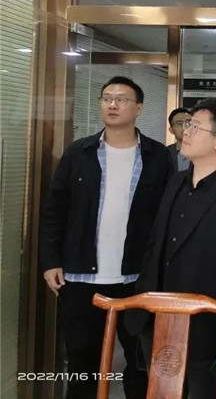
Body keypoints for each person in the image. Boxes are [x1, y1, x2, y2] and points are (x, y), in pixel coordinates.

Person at [40, 76, 171, 398]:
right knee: (82, 365)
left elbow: (167, 219)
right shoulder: (79, 152)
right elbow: (55, 210)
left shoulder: (157, 156)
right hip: (81, 278)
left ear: (139, 108)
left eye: (122, 99)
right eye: (107, 98)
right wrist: (51, 261)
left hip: (136, 279)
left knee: (140, 364)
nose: (112, 104)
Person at [127, 99, 216, 398]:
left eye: (195, 126)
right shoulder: (176, 182)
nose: (186, 132)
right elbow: (155, 246)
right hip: (158, 318)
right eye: (186, 125)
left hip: (207, 326)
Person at [167, 107, 192, 171]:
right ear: (171, 130)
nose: (185, 128)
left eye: (188, 123)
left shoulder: (205, 152)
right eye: (179, 124)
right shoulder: (164, 153)